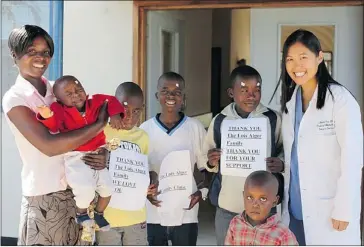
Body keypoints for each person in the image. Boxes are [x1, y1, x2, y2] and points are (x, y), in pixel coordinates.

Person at [2, 24, 110, 245]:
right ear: (15, 54)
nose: (40, 58)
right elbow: (50, 146)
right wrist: (99, 125)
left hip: (80, 193)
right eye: (31, 51)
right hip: (44, 198)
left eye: (45, 52)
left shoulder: (60, 91)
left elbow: (85, 123)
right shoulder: (15, 99)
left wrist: (103, 153)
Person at [272, 29, 363, 245]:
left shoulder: (340, 100)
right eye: (290, 59)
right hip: (294, 210)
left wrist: (344, 208)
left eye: (304, 57)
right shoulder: (290, 104)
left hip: (329, 211)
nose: (297, 66)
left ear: (319, 57)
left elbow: (353, 159)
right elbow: (296, 155)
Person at [36, 75, 126, 241]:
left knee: (108, 188)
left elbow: (111, 100)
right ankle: (82, 213)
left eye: (78, 90)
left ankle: (99, 213)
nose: (76, 94)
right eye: (69, 94)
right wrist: (47, 116)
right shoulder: (59, 109)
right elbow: (54, 125)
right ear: (59, 99)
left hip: (98, 151)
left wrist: (115, 115)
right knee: (84, 189)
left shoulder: (96, 100)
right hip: (76, 155)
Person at [203, 65, 285, 245]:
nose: (251, 95)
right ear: (231, 92)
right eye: (244, 90)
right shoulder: (220, 120)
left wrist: (281, 163)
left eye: (257, 89)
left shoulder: (272, 119)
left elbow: (284, 150)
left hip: (264, 208)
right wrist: (211, 161)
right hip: (228, 207)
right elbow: (206, 158)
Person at [140, 72, 208, 246]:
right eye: (165, 91)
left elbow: (204, 167)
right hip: (154, 211)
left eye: (177, 92)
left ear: (184, 97)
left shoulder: (195, 127)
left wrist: (202, 192)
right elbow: (139, 170)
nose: (171, 96)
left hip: (186, 211)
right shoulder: (145, 130)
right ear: (157, 96)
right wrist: (145, 193)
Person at [96, 81, 157, 245]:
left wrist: (151, 182)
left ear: (142, 110)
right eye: (125, 110)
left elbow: (144, 169)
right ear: (115, 107)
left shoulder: (143, 137)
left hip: (136, 216)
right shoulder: (102, 132)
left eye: (136, 111)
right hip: (107, 216)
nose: (130, 116)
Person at [225, 170, 298, 246]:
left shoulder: (283, 234)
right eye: (250, 197)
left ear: (275, 201)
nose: (255, 205)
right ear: (243, 196)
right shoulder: (235, 223)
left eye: (263, 199)